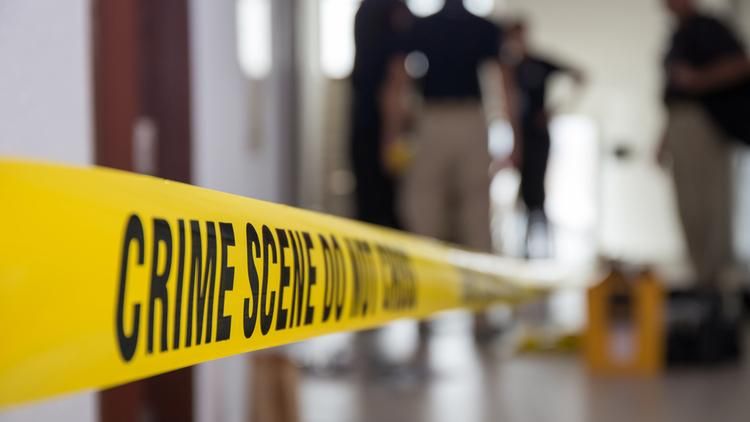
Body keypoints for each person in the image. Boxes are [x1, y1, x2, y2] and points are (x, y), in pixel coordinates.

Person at [381, 0, 518, 344]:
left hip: (436, 123)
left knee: (427, 214)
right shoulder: (480, 28)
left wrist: (392, 134)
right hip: (466, 122)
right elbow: (505, 84)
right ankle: (477, 315)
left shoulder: (424, 27)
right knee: (473, 218)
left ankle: (427, 311)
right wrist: (514, 138)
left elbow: (397, 80)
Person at [657, 0, 750, 286]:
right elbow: (672, 95)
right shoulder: (677, 36)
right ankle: (701, 276)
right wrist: (663, 139)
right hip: (679, 123)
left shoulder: (709, 27)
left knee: (710, 202)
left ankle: (717, 277)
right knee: (688, 204)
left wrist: (699, 80)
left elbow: (741, 64)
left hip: (704, 122)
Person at [502, 19, 584, 259]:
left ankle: (543, 247)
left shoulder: (539, 64)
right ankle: (523, 247)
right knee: (523, 191)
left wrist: (555, 110)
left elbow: (580, 76)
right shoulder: (508, 68)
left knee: (537, 190)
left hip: (538, 136)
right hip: (519, 137)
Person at [350, 0, 413, 229]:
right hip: (367, 117)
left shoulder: (387, 8)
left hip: (379, 122)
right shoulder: (371, 9)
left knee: (382, 206)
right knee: (372, 202)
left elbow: (395, 75)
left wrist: (391, 135)